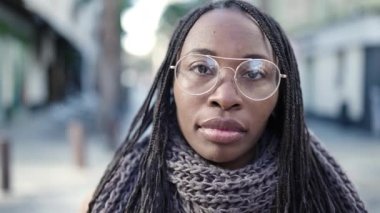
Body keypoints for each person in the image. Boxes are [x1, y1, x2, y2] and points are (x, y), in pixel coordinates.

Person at [88, 0, 367, 212]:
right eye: (201, 68)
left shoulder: (324, 194)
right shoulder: (117, 195)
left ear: (281, 93)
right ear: (171, 82)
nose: (224, 96)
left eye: (255, 72)